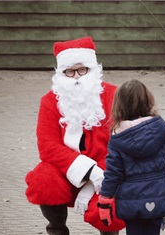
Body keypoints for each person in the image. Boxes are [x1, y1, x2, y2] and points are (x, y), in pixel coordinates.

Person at [25, 36, 125, 235]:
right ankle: (57, 229)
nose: (77, 77)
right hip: (66, 170)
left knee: (108, 209)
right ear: (61, 74)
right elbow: (47, 147)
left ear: (92, 69)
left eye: (82, 70)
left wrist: (99, 176)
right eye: (69, 72)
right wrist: (88, 171)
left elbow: (122, 146)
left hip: (108, 169)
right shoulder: (50, 101)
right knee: (43, 179)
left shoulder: (113, 95)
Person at [96, 79, 165, 235]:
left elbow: (113, 173)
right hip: (159, 194)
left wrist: (104, 199)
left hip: (131, 199)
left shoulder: (117, 138)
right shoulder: (163, 128)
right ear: (148, 100)